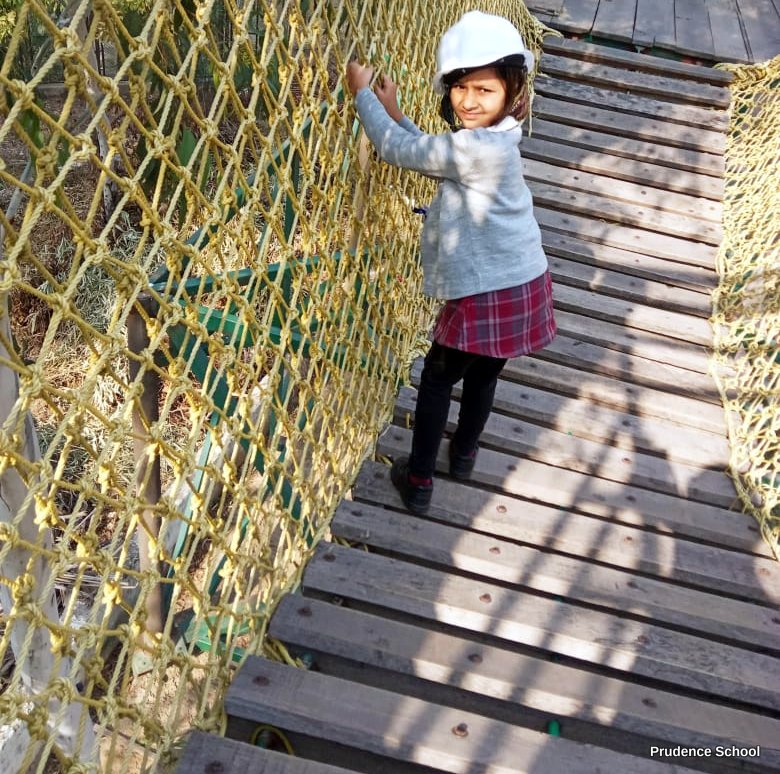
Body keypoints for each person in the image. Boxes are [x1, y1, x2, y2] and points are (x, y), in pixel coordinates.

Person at [345, 10, 556, 515]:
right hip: (522, 279)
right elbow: (436, 153)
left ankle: (418, 479)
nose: (469, 100)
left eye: (484, 90)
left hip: (489, 289)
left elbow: (400, 152)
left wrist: (361, 96)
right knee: (484, 376)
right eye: (461, 88)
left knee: (439, 378)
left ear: (513, 94)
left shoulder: (476, 147)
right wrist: (394, 109)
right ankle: (463, 455)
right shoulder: (495, 139)